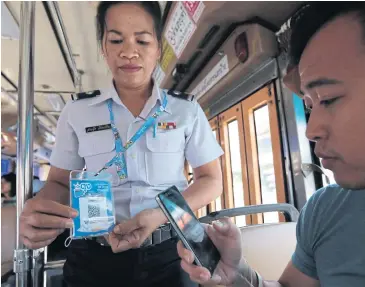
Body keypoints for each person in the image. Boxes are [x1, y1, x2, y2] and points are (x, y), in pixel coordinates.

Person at [18, 2, 223, 287]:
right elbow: (59, 183)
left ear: (158, 48)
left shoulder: (185, 110)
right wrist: (40, 210)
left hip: (171, 252)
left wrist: (160, 214)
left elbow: (211, 180)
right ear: (103, 46)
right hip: (93, 256)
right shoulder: (77, 111)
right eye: (116, 40)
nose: (129, 52)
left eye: (142, 40)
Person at [177, 2, 365, 287]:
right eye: (310, 106)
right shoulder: (325, 210)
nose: (311, 130)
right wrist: (238, 274)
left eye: (328, 99)